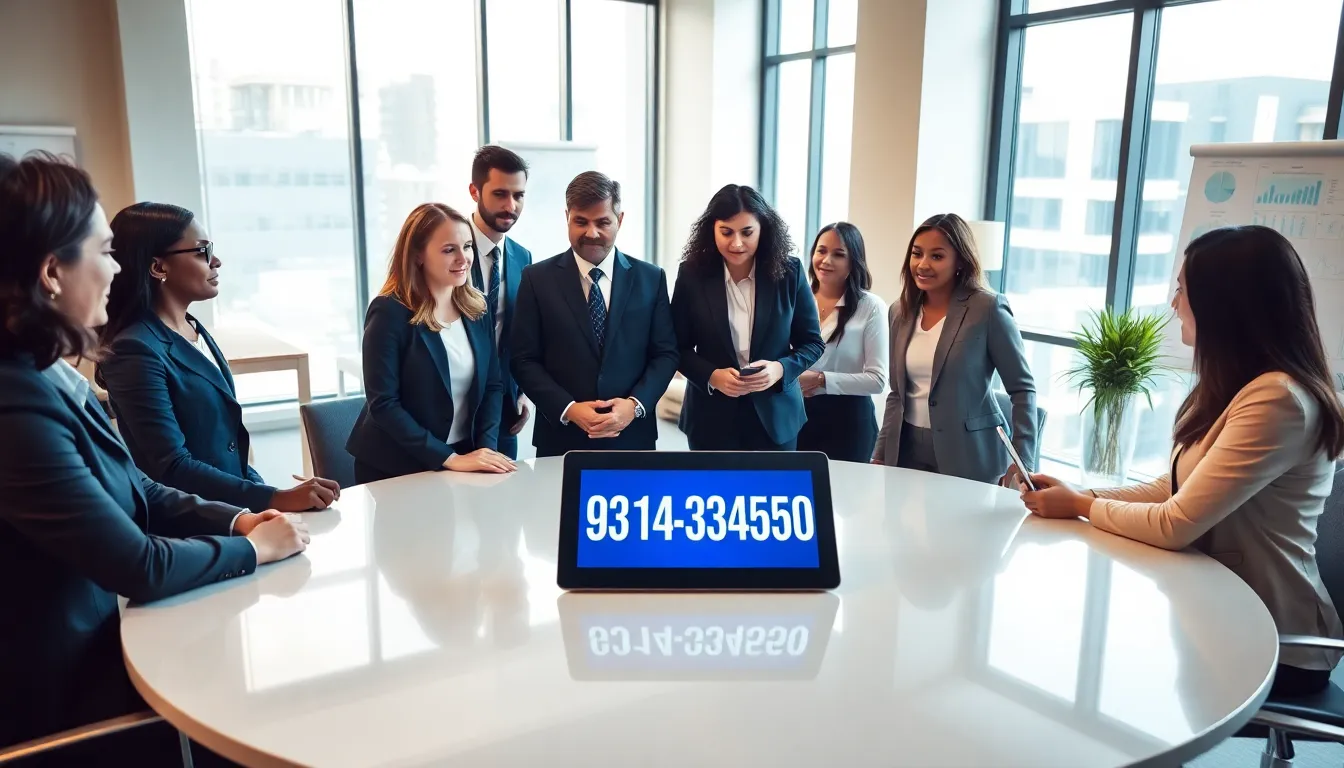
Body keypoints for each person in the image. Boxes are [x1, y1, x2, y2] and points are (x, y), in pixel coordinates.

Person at [0, 152, 309, 753]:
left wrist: (237, 515)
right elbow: (136, 564)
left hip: (100, 660)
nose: (118, 270)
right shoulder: (15, 405)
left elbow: (136, 486)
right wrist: (250, 547)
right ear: (51, 274)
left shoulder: (46, 374)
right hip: (63, 707)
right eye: (103, 251)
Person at [1019, 225, 1344, 696]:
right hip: (1214, 609)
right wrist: (1081, 494)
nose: (1174, 304)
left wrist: (1081, 508)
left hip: (1274, 638)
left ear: (1224, 305)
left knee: (1105, 667)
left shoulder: (1277, 400)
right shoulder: (1241, 386)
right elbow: (1173, 488)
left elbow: (1177, 523)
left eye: (1183, 290)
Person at [96, 202, 339, 512]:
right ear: (158, 267)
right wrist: (274, 498)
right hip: (192, 527)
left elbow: (229, 450)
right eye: (202, 251)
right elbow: (171, 467)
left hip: (233, 513)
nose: (217, 261)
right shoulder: (134, 349)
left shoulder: (193, 329)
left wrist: (270, 495)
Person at [510, 171, 678, 456]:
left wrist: (634, 406)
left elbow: (666, 353)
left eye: (603, 222)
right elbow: (523, 359)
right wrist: (570, 409)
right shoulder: (537, 279)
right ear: (567, 217)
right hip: (561, 439)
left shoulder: (651, 278)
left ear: (620, 220)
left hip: (633, 438)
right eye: (581, 222)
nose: (592, 233)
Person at [346, 203, 513, 484]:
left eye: (468, 246)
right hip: (396, 465)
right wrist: (449, 459)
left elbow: (492, 386)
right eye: (449, 250)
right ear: (418, 256)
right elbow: (384, 404)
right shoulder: (389, 312)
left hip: (462, 457)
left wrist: (484, 449)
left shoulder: (477, 307)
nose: (464, 258)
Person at [872, 213, 1037, 484]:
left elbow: (1023, 389)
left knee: (959, 527)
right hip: (906, 449)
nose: (923, 265)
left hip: (969, 453)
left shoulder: (987, 309)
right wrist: (881, 451)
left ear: (960, 261)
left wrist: (1022, 460)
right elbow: (897, 394)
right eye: (917, 254)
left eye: (937, 256)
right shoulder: (899, 312)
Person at [671, 184, 825, 451]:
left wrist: (780, 369)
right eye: (726, 232)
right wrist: (712, 376)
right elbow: (675, 346)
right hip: (711, 419)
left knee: (774, 492)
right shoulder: (692, 275)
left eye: (747, 232)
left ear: (763, 229)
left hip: (776, 419)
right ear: (712, 230)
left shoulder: (790, 273)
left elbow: (812, 343)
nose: (737, 243)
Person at [797, 222, 888, 462]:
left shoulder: (871, 307)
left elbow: (878, 381)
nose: (826, 260)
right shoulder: (795, 299)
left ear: (853, 261)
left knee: (847, 497)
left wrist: (821, 380)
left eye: (839, 254)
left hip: (848, 423)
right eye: (821, 251)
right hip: (796, 417)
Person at [467, 145, 534, 459]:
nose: (511, 205)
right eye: (500, 194)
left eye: (518, 195)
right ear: (474, 192)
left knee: (503, 501)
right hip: (452, 408)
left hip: (504, 411)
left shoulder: (523, 258)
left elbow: (518, 335)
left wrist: (521, 393)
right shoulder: (447, 252)